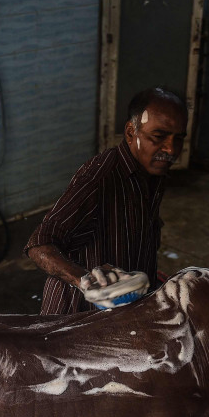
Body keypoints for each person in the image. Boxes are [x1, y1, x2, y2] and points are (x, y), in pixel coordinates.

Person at [25, 87, 188, 314]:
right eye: (158, 136)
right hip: (78, 314)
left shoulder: (154, 173)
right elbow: (39, 245)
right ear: (131, 132)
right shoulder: (100, 177)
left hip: (124, 308)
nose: (171, 149)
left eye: (178, 138)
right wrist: (86, 281)